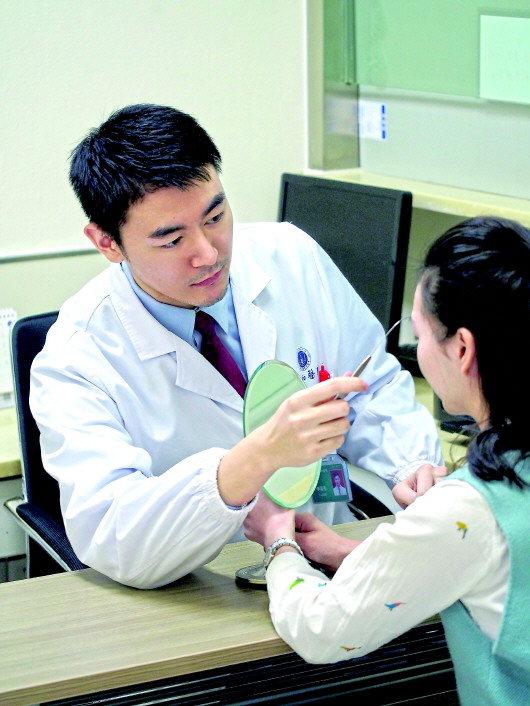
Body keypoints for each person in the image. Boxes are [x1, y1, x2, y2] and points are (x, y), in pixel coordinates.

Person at [30, 103, 445, 590]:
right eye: (171, 240)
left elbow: (369, 384)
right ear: (107, 242)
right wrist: (253, 460)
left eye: (215, 216)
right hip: (198, 595)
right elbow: (116, 536)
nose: (208, 253)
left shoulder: (291, 256)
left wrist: (410, 463)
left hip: (327, 572)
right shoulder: (75, 358)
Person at [244, 216, 530, 704]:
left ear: (462, 348)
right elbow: (487, 567)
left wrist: (278, 545)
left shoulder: (469, 508)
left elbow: (323, 629)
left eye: (419, 337)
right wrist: (351, 553)